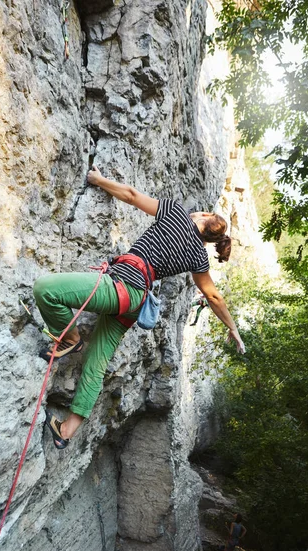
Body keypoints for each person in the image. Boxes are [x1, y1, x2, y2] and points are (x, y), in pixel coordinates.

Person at [33, 166, 245, 449]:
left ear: (205, 217)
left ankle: (70, 340)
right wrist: (233, 328)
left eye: (202, 212)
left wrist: (97, 179)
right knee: (96, 365)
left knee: (46, 289)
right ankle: (66, 430)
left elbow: (131, 195)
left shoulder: (176, 213)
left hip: (121, 287)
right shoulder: (199, 258)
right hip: (135, 303)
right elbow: (214, 297)